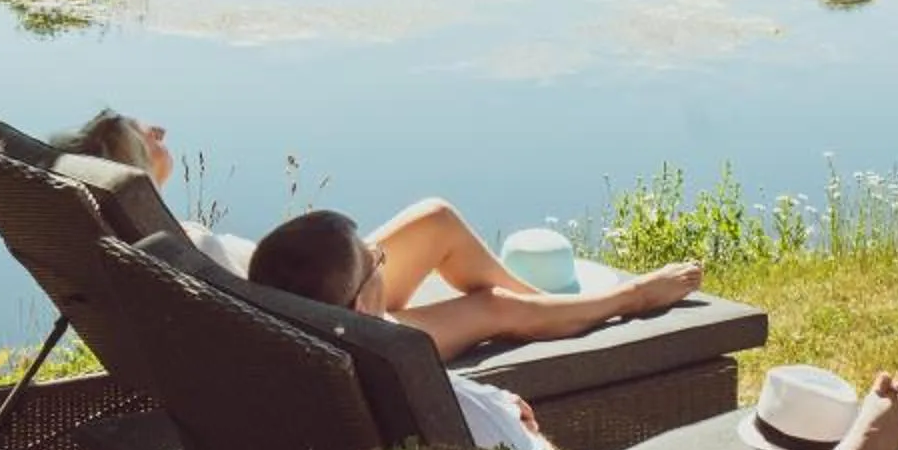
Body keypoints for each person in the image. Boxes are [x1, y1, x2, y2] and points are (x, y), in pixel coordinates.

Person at [246, 204, 898, 450]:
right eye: (377, 261)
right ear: (362, 306)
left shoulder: (298, 370)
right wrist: (504, 422)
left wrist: (495, 407)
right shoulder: (416, 390)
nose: (385, 258)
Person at [57, 111, 704, 359]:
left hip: (327, 294)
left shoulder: (155, 235)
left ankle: (554, 309)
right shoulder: (170, 250)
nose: (160, 130)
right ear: (132, 166)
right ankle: (625, 299)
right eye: (144, 134)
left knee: (436, 217)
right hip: (334, 334)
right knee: (491, 308)